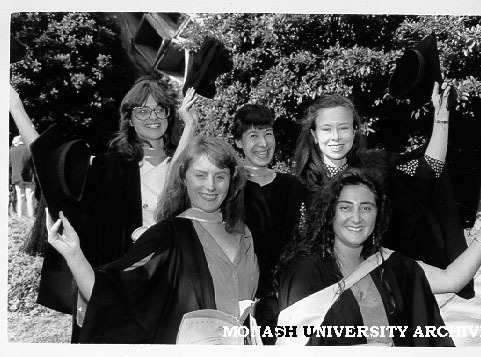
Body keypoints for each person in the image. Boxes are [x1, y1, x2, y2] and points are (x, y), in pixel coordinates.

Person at [9, 77, 199, 332]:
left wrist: (191, 126)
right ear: (129, 119)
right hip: (119, 284)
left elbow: (177, 183)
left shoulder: (193, 167)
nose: (152, 117)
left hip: (169, 284)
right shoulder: (108, 167)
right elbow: (51, 162)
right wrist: (15, 106)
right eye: (142, 110)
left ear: (169, 115)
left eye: (160, 109)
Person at [46, 135, 259, 343]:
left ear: (232, 179)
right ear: (184, 178)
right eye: (201, 175)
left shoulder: (244, 233)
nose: (211, 186)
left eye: (220, 176)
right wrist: (73, 254)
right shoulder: (167, 236)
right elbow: (110, 293)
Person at [277, 169, 481, 346]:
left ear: (378, 214)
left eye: (367, 208)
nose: (357, 218)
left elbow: (452, 279)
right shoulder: (305, 271)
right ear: (330, 213)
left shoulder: (390, 264)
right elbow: (293, 344)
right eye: (346, 207)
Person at [293, 83, 474, 297]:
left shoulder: (376, 170)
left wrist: (441, 116)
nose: (336, 137)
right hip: (322, 291)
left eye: (343, 127)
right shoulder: (297, 187)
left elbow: (429, 167)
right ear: (314, 135)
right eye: (326, 128)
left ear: (354, 131)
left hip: (375, 280)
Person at [232, 104, 307, 343]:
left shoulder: (294, 187)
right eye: (253, 135)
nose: (263, 143)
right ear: (238, 142)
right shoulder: (228, 187)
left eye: (268, 133)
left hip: (288, 299)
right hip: (241, 300)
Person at [9, 135, 36, 218]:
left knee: (20, 198)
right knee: (30, 198)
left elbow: (9, 166)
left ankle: (21, 216)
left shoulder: (11, 151)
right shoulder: (30, 150)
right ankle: (30, 216)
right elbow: (35, 164)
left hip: (17, 177)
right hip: (29, 176)